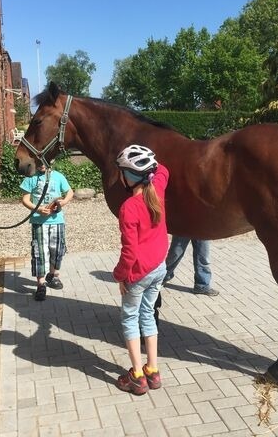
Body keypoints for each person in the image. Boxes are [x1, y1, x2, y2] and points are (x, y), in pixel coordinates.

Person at [113, 144, 169, 395]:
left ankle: (136, 376)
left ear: (128, 176)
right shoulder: (157, 189)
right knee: (148, 315)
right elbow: (164, 170)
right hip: (159, 267)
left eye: (122, 172)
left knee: (130, 319)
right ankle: (153, 370)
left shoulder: (128, 208)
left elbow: (130, 252)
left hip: (138, 274)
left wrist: (120, 276)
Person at [20, 162, 74, 301]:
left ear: (52, 161)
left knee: (57, 249)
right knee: (40, 252)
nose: (42, 164)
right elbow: (25, 199)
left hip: (57, 221)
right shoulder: (30, 178)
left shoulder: (58, 176)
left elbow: (69, 192)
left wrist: (63, 202)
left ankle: (53, 275)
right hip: (39, 222)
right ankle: (41, 283)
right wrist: (37, 209)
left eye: (46, 161)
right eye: (39, 161)